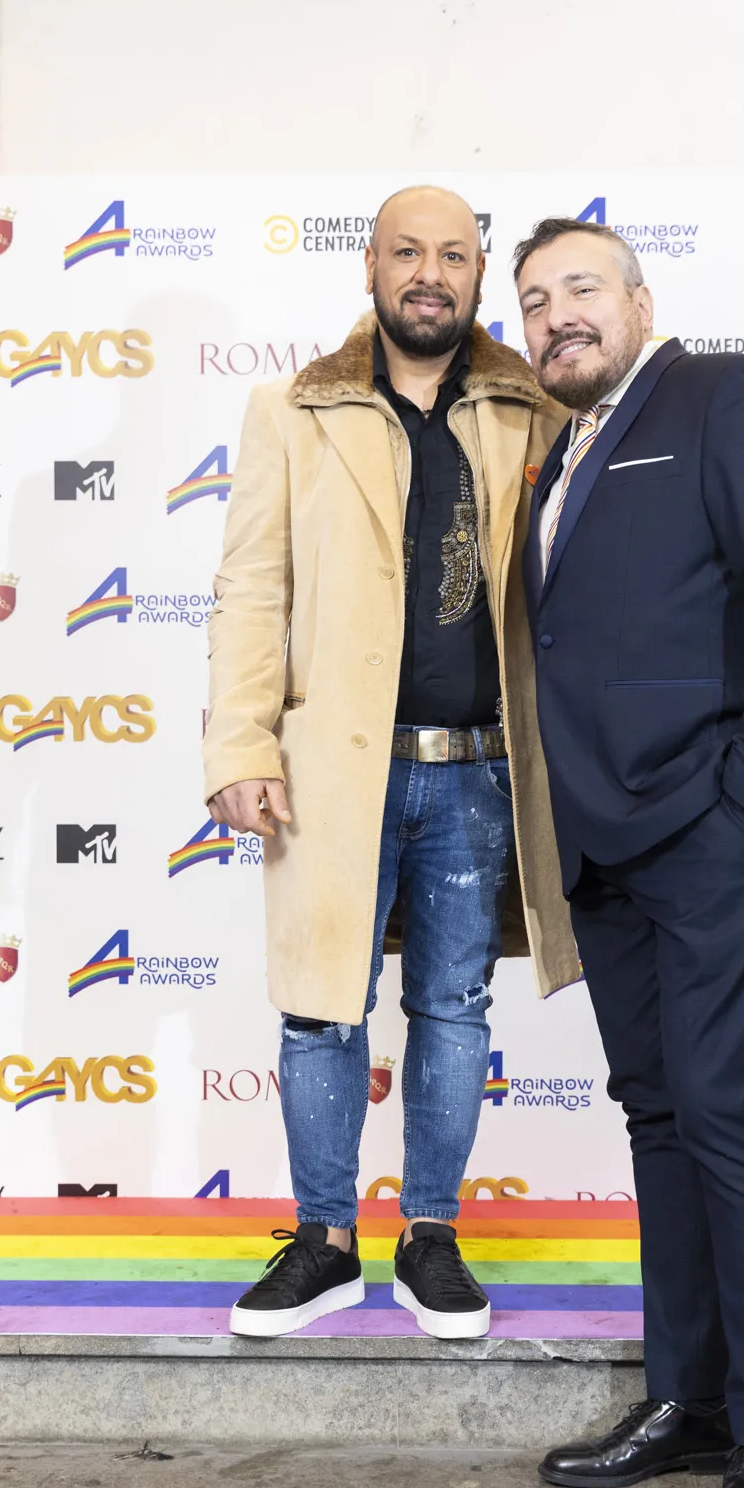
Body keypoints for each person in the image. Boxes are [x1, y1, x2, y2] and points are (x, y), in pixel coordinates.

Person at [512, 216, 744, 1488]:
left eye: (581, 287)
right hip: (601, 837)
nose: (557, 315)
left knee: (722, 1111)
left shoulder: (724, 395)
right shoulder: (554, 453)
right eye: (534, 300)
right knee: (658, 1114)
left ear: (641, 303)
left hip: (712, 822)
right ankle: (691, 1398)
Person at [203, 187, 578, 1341]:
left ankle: (431, 1235)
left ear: (479, 275)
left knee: (454, 1006)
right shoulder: (292, 409)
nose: (430, 273)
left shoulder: (533, 410)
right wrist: (241, 740)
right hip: (331, 773)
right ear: (368, 264)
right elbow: (251, 588)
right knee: (320, 1008)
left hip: (479, 772)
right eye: (408, 251)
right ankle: (324, 1241)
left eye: (453, 255)